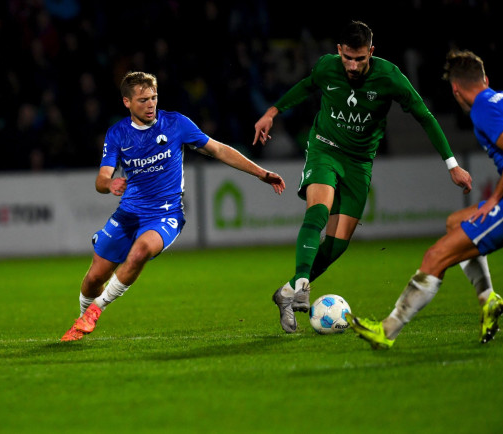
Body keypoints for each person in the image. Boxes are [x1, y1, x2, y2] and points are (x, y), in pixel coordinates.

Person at [252, 20, 473, 334]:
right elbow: (306, 86)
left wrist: (452, 164)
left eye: (360, 59)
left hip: (359, 164)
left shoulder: (390, 77)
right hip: (325, 150)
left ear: (371, 51)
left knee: (338, 246)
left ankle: (286, 293)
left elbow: (424, 115)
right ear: (339, 51)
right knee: (319, 210)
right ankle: (302, 282)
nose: (353, 66)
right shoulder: (328, 67)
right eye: (348, 58)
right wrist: (272, 112)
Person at [61, 71, 286, 342]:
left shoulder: (176, 124)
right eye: (143, 99)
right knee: (93, 279)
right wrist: (109, 185)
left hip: (165, 214)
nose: (151, 104)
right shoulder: (118, 133)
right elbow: (101, 178)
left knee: (141, 250)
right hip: (128, 213)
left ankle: (95, 311)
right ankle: (81, 321)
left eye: (154, 97)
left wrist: (261, 173)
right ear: (127, 102)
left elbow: (218, 150)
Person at [346, 49, 503, 349]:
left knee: (435, 257)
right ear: (485, 78)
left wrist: (494, 199)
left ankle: (388, 330)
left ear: (455, 89)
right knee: (456, 222)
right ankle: (488, 299)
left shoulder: (482, 108)